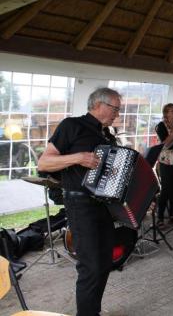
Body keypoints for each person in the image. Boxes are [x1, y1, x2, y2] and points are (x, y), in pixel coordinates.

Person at [38, 87, 122, 316]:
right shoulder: (71, 125)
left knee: (105, 262)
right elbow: (44, 163)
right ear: (98, 105)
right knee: (90, 266)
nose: (117, 113)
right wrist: (78, 158)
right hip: (80, 204)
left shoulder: (107, 135)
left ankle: (91, 311)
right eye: (115, 108)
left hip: (103, 205)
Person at [155, 103, 173, 226]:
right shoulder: (161, 126)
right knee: (166, 189)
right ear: (166, 113)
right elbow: (166, 143)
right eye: (172, 111)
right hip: (166, 161)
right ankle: (160, 217)